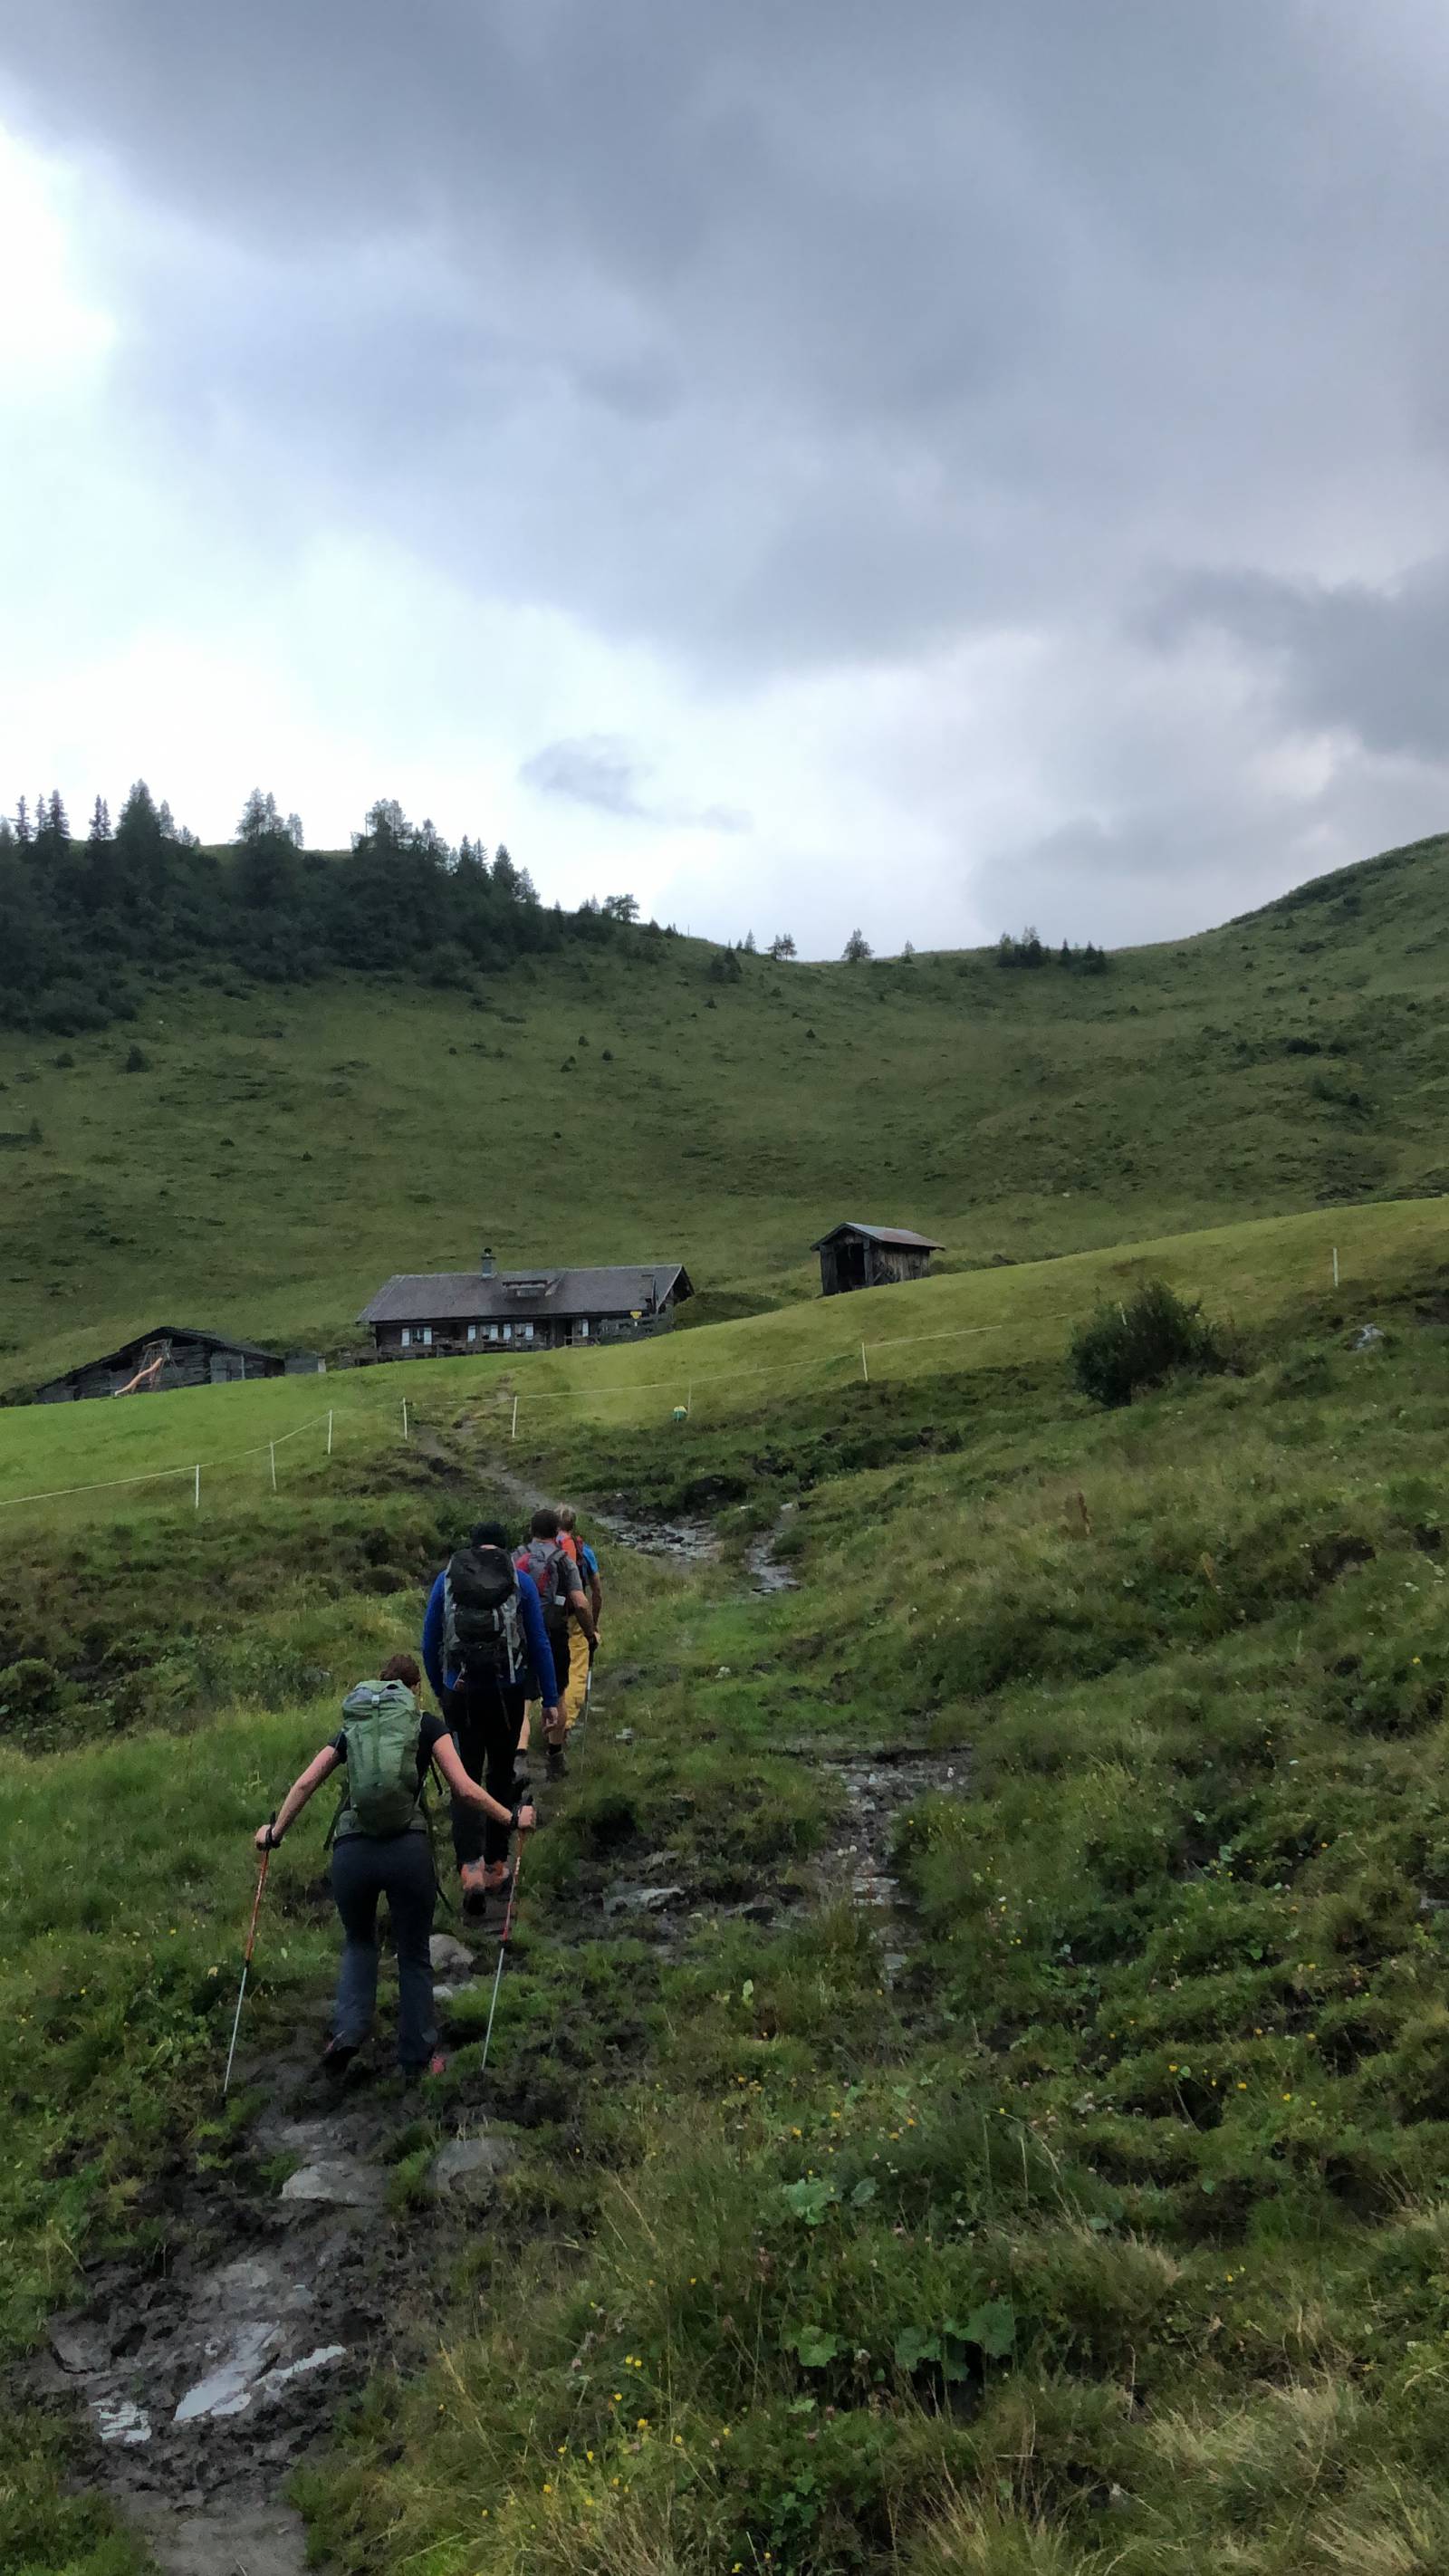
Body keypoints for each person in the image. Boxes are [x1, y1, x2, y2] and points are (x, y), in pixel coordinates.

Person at [252, 1652, 534, 2079]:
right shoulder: (424, 1725)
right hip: (407, 1852)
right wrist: (512, 1819)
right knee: (414, 1954)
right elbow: (464, 1789)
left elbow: (307, 1781)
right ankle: (416, 2059)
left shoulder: (355, 1727)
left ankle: (347, 2031)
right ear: (415, 1690)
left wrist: (274, 1834)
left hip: (352, 1853)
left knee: (359, 1942)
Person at [422, 1521, 559, 1911]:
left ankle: (470, 1869)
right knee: (500, 1773)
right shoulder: (520, 1582)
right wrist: (549, 1698)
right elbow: (539, 1642)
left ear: (471, 1548)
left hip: (459, 1693)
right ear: (502, 1549)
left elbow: (429, 1639)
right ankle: (498, 1865)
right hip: (508, 1692)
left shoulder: (446, 1581)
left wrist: (441, 1686)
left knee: (463, 1778)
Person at [516, 1505, 596, 1780]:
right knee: (559, 1691)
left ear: (531, 1531)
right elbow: (581, 1603)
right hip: (554, 1633)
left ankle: (520, 1755)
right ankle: (555, 1755)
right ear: (556, 1532)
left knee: (524, 1696)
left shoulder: (517, 1556)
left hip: (521, 1635)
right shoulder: (564, 1560)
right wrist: (590, 1632)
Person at [557, 1505, 602, 1733]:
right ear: (573, 1524)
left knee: (554, 1667)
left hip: (549, 1617)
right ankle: (567, 1722)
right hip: (575, 1616)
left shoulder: (542, 1549)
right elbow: (596, 1591)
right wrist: (593, 1626)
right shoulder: (584, 1551)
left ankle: (551, 1718)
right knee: (576, 1666)